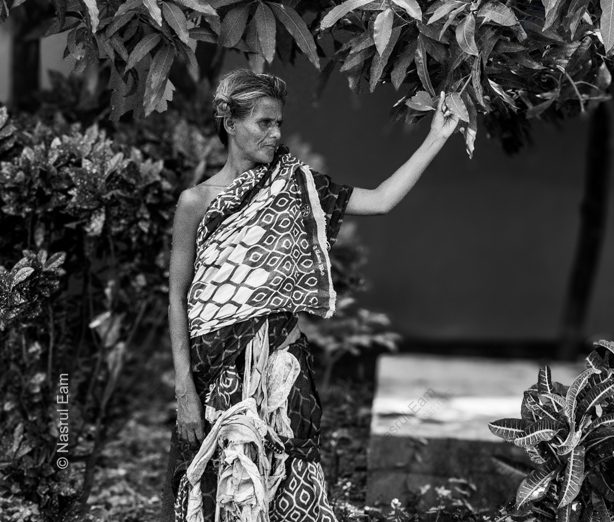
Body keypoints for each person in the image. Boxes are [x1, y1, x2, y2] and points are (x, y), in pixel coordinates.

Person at [162, 68, 458, 521]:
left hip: (282, 371)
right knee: (224, 489)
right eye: (265, 123)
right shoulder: (195, 203)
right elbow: (178, 297)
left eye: (280, 122)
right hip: (216, 374)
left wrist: (436, 137)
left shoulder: (295, 187)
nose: (276, 133)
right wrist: (184, 386)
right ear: (229, 122)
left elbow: (380, 199)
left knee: (290, 484)